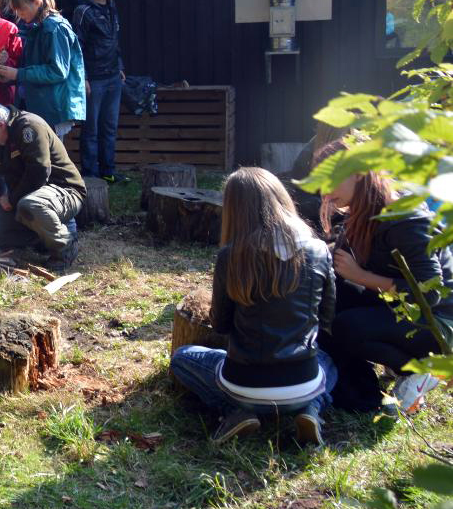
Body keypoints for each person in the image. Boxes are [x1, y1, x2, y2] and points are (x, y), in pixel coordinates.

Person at [170, 167, 338, 445]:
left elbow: (221, 325)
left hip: (243, 381)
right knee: (330, 362)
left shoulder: (231, 255)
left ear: (235, 210)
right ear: (281, 199)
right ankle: (312, 409)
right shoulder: (318, 250)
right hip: (303, 378)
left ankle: (235, 412)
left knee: (183, 357)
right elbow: (327, 317)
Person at [315, 142, 449, 416]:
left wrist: (363, 277)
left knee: (346, 327)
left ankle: (422, 369)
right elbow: (336, 265)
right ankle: (362, 385)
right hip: (404, 309)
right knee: (327, 297)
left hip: (441, 322)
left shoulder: (404, 217)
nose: (324, 192)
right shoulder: (362, 214)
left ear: (359, 173)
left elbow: (430, 291)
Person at [0, 102, 84, 265]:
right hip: (22, 197)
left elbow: (39, 171)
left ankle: (65, 247)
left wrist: (12, 199)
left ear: (1, 125)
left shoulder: (29, 127)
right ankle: (42, 240)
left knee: (30, 205)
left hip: (63, 190)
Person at [0, 0, 86, 138]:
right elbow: (30, 65)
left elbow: (57, 71)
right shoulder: (35, 27)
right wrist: (8, 71)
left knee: (49, 158)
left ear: (37, 2)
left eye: (22, 9)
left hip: (52, 106)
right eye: (16, 10)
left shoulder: (54, 29)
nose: (20, 14)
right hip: (39, 103)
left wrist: (18, 74)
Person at [72, 0, 125, 183]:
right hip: (93, 78)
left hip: (113, 76)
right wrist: (82, 77)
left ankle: (108, 171)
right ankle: (90, 174)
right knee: (91, 129)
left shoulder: (112, 7)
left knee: (109, 127)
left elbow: (114, 41)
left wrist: (120, 66)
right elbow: (77, 47)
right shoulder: (83, 11)